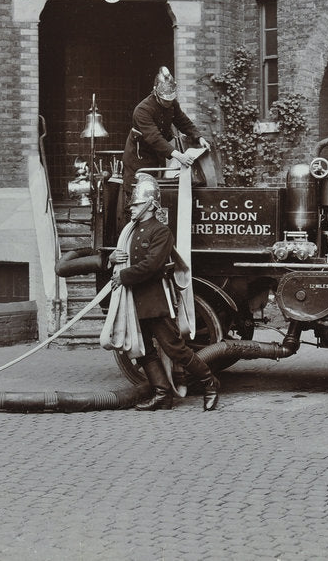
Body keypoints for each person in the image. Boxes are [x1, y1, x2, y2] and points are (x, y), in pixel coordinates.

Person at [109, 174, 219, 411]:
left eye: (136, 204)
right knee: (143, 350)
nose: (131, 209)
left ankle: (210, 383)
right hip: (134, 302)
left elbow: (152, 265)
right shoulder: (130, 231)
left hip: (155, 301)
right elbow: (121, 255)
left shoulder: (161, 232)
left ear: (149, 204)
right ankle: (162, 395)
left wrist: (123, 275)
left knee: (174, 348)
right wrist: (112, 259)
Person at [121, 66, 210, 203]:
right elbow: (154, 137)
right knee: (137, 196)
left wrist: (199, 137)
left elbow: (183, 121)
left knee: (156, 195)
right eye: (165, 100)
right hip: (138, 159)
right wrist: (179, 156)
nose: (168, 103)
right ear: (155, 91)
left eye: (171, 100)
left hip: (157, 156)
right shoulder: (142, 110)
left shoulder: (172, 104)